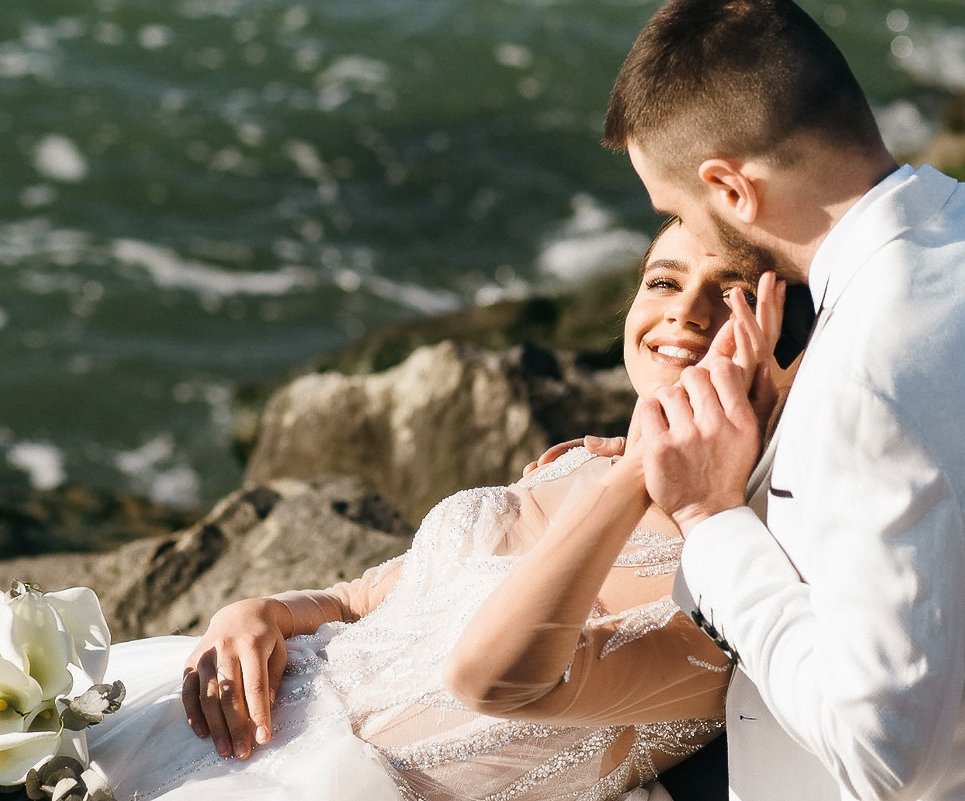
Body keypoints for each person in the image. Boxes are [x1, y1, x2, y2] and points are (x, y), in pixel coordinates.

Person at [599, 1, 965, 800]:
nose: (677, 229)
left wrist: (710, 519)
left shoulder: (862, 378)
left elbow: (878, 751)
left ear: (730, 188)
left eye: (674, 210)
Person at [83, 218, 795, 801]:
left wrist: (642, 470)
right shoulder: (577, 460)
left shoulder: (731, 591)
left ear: (785, 354)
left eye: (729, 295)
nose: (684, 310)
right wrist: (263, 612)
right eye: (663, 280)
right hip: (233, 716)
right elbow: (363, 600)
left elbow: (496, 680)